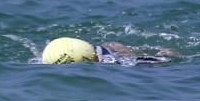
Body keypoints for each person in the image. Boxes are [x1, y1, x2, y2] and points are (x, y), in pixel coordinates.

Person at [40, 37, 179, 65]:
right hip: (98, 49)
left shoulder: (115, 61)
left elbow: (165, 58)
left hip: (108, 53)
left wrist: (166, 56)